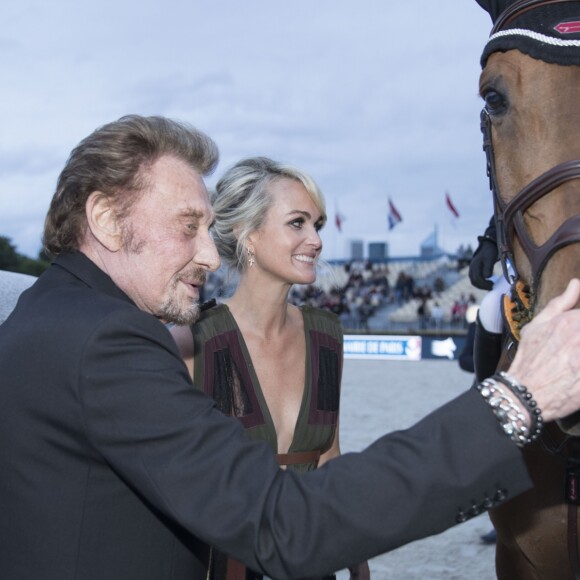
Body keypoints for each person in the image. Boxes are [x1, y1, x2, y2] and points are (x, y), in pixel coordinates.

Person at [4, 115, 580, 580]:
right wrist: (512, 403)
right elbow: (283, 523)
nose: (209, 255)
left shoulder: (45, 316)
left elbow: (320, 464)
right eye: (187, 226)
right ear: (105, 217)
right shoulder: (114, 340)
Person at [171, 157, 368, 579]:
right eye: (297, 223)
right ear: (248, 234)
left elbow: (329, 454)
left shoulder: (326, 335)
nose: (315, 240)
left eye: (318, 225)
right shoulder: (191, 343)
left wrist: (356, 555)